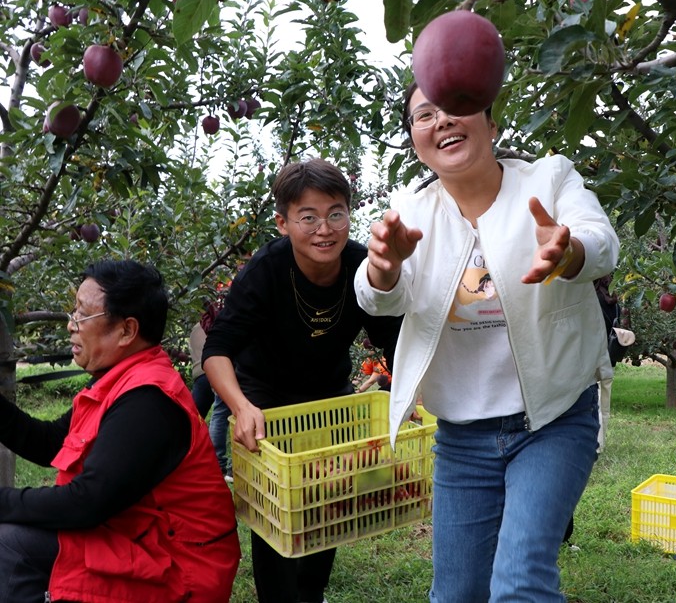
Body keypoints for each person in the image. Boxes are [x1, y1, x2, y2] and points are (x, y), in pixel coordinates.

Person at [354, 80, 620, 602]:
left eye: (456, 106)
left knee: (519, 584)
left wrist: (568, 252)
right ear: (416, 141)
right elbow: (382, 297)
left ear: (491, 124)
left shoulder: (548, 178)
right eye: (424, 115)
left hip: (553, 421)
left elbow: (601, 240)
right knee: (456, 594)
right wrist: (383, 269)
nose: (441, 120)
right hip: (462, 438)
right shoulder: (412, 210)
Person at [202, 157, 402, 603]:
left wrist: (410, 394)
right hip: (264, 395)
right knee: (276, 506)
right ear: (283, 223)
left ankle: (312, 593)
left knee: (326, 498)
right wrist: (241, 406)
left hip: (328, 393)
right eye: (308, 217)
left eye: (335, 214)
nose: (324, 229)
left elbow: (394, 340)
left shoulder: (361, 266)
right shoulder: (266, 270)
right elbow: (217, 350)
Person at [0, 260, 240, 602]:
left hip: (178, 566)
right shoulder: (120, 381)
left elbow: (86, 502)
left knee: (9, 544)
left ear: (127, 331)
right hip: (139, 537)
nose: (71, 325)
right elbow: (51, 442)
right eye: (74, 311)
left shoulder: (148, 402)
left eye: (83, 315)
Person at [189, 302, 233, 480]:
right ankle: (221, 463)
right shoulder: (218, 324)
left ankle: (202, 459)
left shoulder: (195, 329)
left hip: (200, 377)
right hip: (217, 371)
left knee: (194, 419)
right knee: (222, 413)